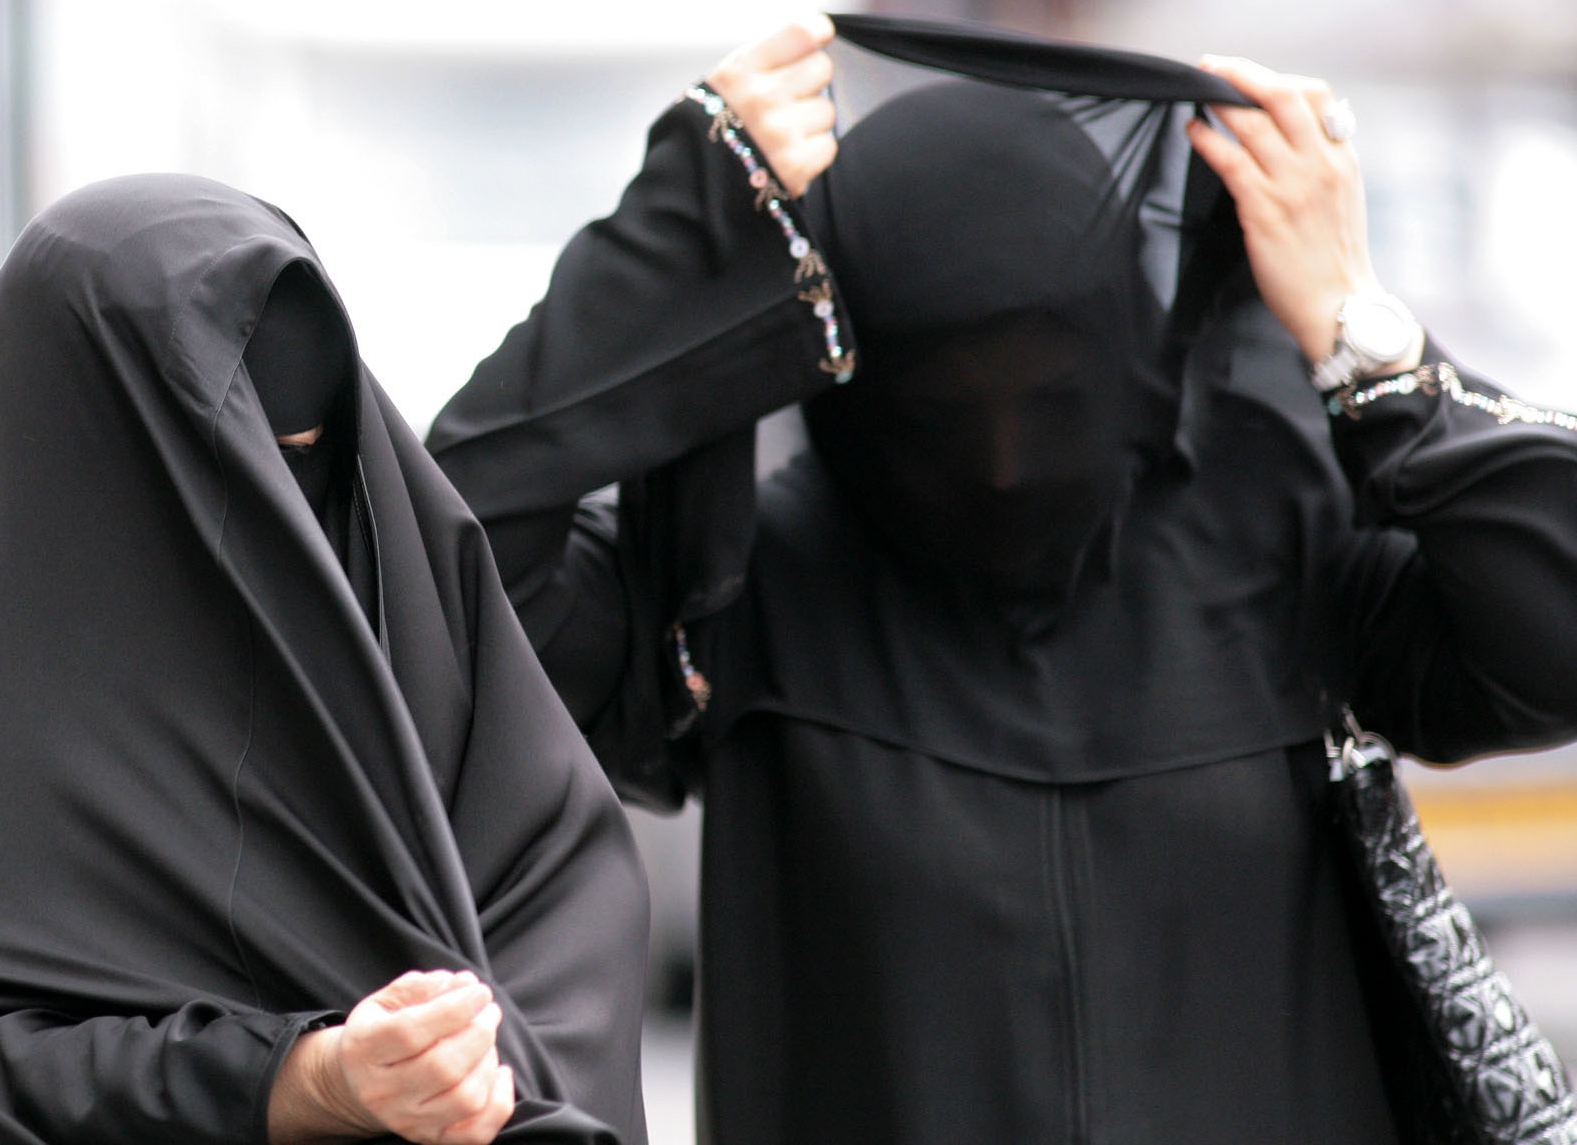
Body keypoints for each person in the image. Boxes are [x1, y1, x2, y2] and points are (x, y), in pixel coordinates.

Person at [426, 13, 1577, 1144]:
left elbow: (1555, 633)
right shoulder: (740, 595)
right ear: (851, 376)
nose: (1006, 460)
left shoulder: (1283, 546)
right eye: (942, 408)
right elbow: (434, 587)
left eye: (1056, 392)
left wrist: (1364, 336)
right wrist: (676, 241)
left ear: (1128, 347)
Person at [0, 175, 649, 1145]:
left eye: (310, 468)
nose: (287, 537)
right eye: (226, 480)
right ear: (76, 454)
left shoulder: (404, 660)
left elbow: (556, 908)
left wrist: (453, 1067)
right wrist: (304, 1079)